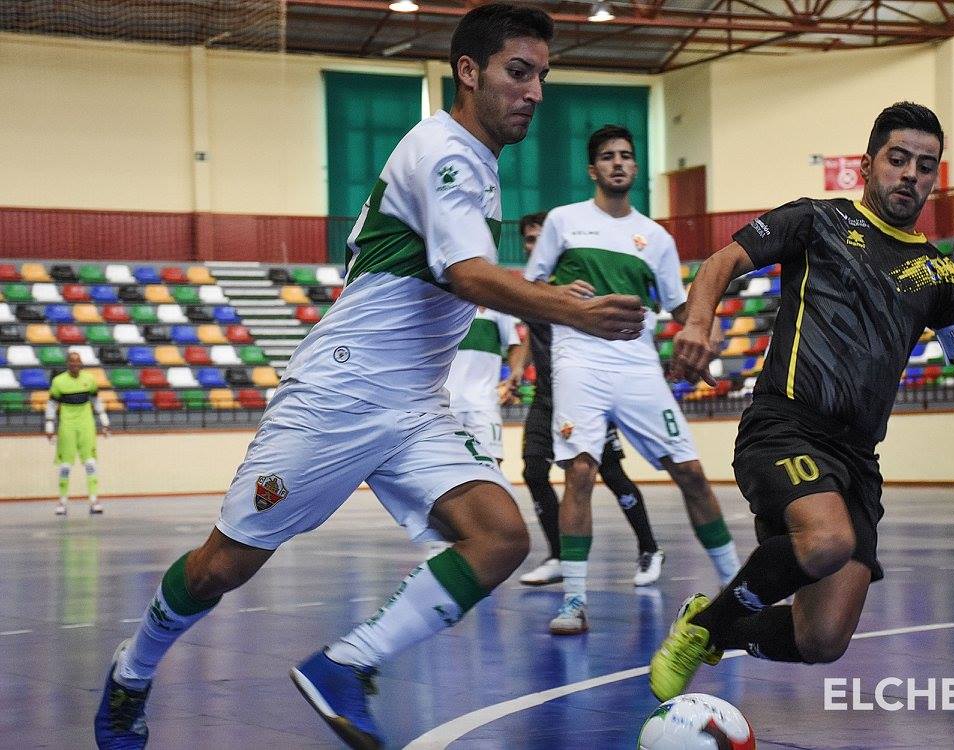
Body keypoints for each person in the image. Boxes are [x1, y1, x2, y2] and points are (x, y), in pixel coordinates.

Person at [94, 7, 647, 749]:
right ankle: (131, 674)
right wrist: (562, 308)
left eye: (543, 75)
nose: (536, 90)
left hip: (414, 408)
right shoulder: (441, 149)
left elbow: (460, 273)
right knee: (221, 568)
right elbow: (464, 274)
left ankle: (344, 665)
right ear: (469, 71)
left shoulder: (475, 166)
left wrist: (551, 299)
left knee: (500, 537)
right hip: (340, 396)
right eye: (519, 71)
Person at [649, 102, 954, 702]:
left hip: (856, 459)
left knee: (822, 638)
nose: (910, 175)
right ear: (868, 164)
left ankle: (717, 621)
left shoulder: (940, 277)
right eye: (898, 159)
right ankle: (703, 632)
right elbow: (722, 262)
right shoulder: (813, 220)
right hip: (784, 427)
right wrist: (698, 322)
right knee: (827, 542)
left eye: (925, 166)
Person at [525, 124, 740, 636]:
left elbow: (679, 308)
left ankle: (736, 592)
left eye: (625, 155)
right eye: (607, 156)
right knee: (579, 472)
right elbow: (530, 287)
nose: (618, 163)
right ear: (592, 169)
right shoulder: (563, 222)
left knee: (690, 472)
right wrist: (556, 291)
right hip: (578, 360)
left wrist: (702, 332)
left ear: (635, 167)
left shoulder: (657, 238)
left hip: (637, 365)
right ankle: (573, 601)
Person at [517, 212, 665, 588]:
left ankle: (649, 547)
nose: (535, 246)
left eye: (540, 239)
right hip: (547, 396)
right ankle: (558, 555)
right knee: (534, 472)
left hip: (585, 390)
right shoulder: (531, 292)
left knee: (611, 474)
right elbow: (525, 340)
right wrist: (517, 370)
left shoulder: (577, 286)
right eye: (529, 241)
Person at [446, 305, 527, 464]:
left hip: (485, 403)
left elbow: (514, 346)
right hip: (445, 404)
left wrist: (514, 374)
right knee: (445, 465)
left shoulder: (498, 308)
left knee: (491, 463)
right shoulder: (445, 304)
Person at [46, 350, 110, 515]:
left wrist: (104, 421)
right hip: (67, 424)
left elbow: (96, 400)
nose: (75, 364)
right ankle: (62, 502)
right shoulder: (58, 382)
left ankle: (94, 500)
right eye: (71, 361)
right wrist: (49, 426)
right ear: (68, 363)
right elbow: (52, 404)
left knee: (90, 463)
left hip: (86, 424)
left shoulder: (89, 379)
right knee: (65, 466)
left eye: (77, 361)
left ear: (81, 363)